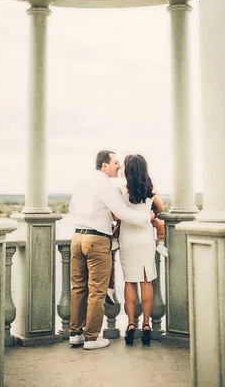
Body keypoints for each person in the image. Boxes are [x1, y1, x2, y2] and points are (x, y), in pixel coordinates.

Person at [69, 150, 150, 350]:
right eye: (115, 162)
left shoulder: (81, 183)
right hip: (97, 240)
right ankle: (92, 338)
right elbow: (123, 214)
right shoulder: (106, 186)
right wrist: (147, 219)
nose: (119, 166)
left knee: (78, 288)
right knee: (97, 290)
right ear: (104, 165)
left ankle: (75, 333)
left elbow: (71, 208)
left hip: (77, 237)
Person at [117, 154, 164, 347]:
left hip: (127, 238)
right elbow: (160, 208)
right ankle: (146, 325)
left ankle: (129, 325)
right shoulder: (150, 189)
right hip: (145, 238)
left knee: (129, 281)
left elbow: (116, 214)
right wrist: (149, 213)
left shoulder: (120, 190)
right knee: (146, 280)